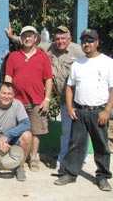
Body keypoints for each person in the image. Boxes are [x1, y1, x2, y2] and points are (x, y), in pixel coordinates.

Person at [54, 29, 113, 192]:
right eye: (84, 41)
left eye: (90, 41)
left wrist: (107, 110)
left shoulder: (107, 62)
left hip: (98, 112)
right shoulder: (77, 64)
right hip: (79, 111)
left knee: (101, 147)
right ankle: (70, 173)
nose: (87, 44)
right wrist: (70, 107)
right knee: (75, 144)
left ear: (97, 42)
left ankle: (102, 177)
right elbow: (69, 87)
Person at [4, 25, 53, 172]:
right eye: (24, 36)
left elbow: (48, 79)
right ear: (21, 38)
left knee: (36, 131)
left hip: (37, 101)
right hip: (17, 101)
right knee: (15, 130)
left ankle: (33, 158)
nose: (27, 38)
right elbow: (8, 76)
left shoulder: (43, 56)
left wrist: (47, 99)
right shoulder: (14, 56)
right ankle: (15, 156)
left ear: (36, 38)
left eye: (30, 35)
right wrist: (7, 95)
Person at [38, 25, 85, 174]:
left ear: (69, 39)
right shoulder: (48, 48)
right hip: (66, 101)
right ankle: (63, 162)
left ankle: (80, 161)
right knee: (66, 132)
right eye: (57, 38)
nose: (60, 41)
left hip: (82, 100)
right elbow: (29, 42)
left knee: (82, 133)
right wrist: (12, 36)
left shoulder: (78, 50)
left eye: (63, 38)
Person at [0, 82, 32, 181]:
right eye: (4, 93)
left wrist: (7, 135)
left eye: (9, 94)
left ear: (13, 95)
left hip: (11, 137)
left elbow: (26, 124)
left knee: (27, 135)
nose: (6, 96)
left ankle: (19, 167)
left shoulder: (18, 105)